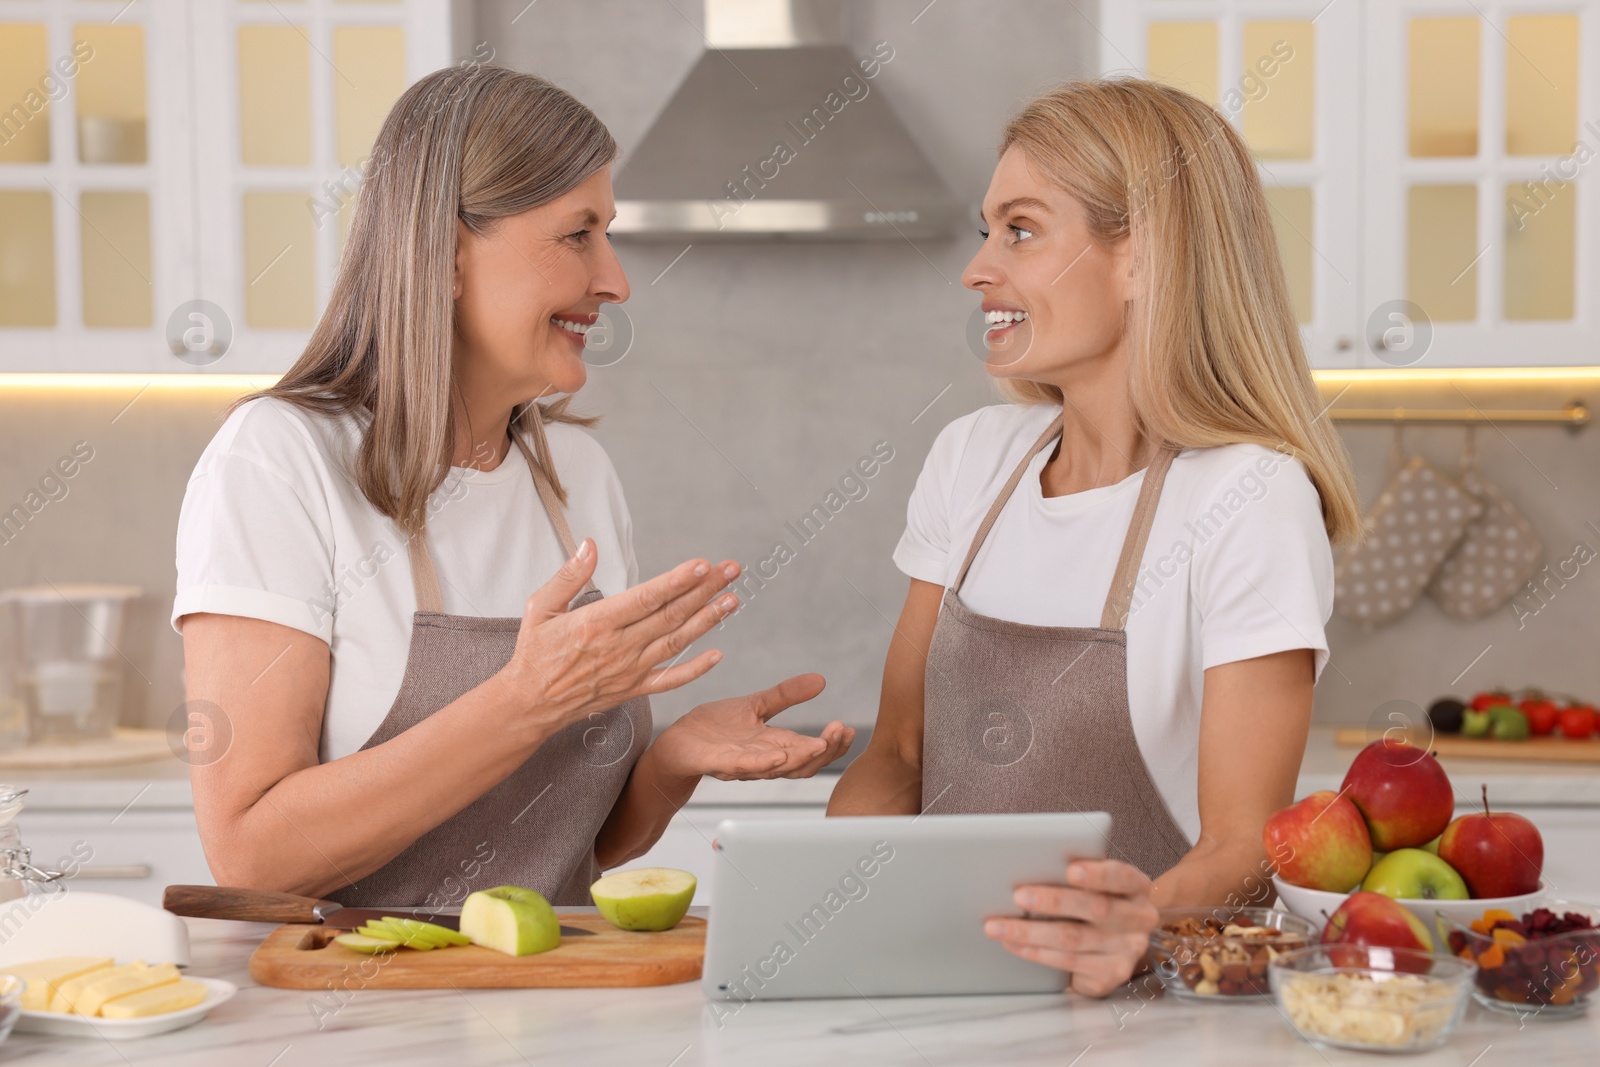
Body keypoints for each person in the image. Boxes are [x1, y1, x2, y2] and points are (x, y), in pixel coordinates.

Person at [173, 66, 853, 906]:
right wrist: (524, 701)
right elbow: (250, 853)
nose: (616, 280)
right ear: (450, 255)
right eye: (579, 235)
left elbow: (577, 847)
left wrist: (669, 761)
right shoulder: (280, 461)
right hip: (355, 1023)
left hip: (555, 1014)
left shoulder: (575, 481)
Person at [827, 78, 1361, 997]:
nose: (978, 267)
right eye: (987, 228)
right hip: (934, 992)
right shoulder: (973, 459)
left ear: (1143, 258)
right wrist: (842, 898)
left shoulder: (1248, 493)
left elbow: (1245, 844)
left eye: (1022, 230)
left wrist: (1139, 921)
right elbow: (900, 755)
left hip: (1144, 1010)